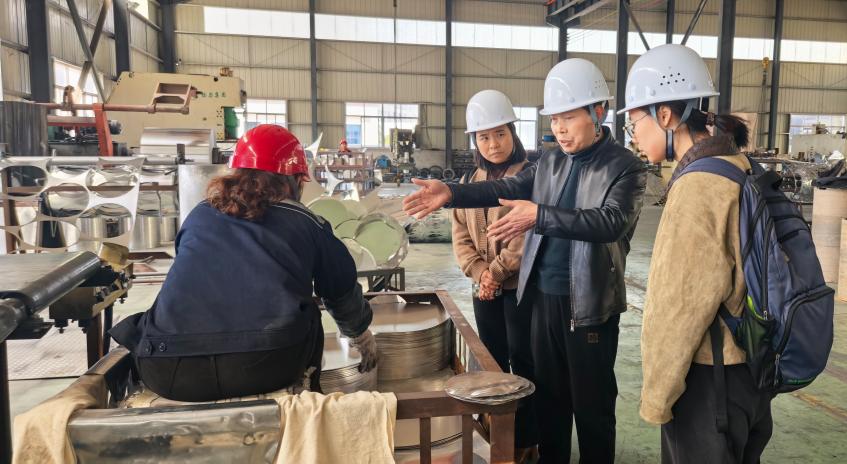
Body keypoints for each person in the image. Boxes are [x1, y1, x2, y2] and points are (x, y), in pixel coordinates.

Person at [404, 58, 647, 463]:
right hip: (541, 299)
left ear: (598, 112)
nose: (560, 129)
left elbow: (611, 223)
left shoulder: (624, 166)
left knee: (592, 407)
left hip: (589, 305)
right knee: (549, 400)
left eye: (569, 117)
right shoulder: (550, 162)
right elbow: (505, 186)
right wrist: (451, 193)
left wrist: (540, 215)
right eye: (555, 119)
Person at [110, 124, 377, 402]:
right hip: (265, 365)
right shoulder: (307, 223)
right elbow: (340, 290)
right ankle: (307, 388)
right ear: (295, 180)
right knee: (308, 311)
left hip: (166, 368)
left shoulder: (199, 215)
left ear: (236, 173)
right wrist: (359, 335)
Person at [624, 44, 770, 463]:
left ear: (664, 116)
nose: (634, 135)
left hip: (709, 384)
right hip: (750, 375)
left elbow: (679, 309)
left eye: (635, 121)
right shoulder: (738, 164)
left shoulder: (697, 187)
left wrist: (658, 397)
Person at [452, 89, 538, 462]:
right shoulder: (470, 180)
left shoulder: (529, 177)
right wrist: (480, 273)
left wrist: (497, 273)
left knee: (525, 362)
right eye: (484, 136)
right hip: (484, 290)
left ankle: (527, 439)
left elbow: (525, 235)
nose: (493, 144)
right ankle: (499, 436)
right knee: (492, 362)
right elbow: (459, 235)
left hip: (520, 289)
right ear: (475, 140)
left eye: (500, 134)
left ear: (513, 133)